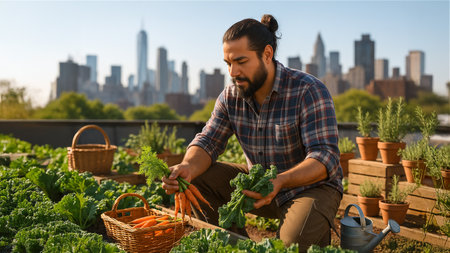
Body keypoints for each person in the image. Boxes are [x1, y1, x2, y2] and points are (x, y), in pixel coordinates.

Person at [162, 14, 343, 251]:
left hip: (310, 188)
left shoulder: (308, 90)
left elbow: (324, 157)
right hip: (259, 188)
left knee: (288, 245)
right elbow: (208, 141)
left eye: (241, 61)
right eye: (228, 63)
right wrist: (187, 166)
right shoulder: (230, 97)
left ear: (267, 55)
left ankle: (309, 231)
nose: (233, 72)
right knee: (196, 177)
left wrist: (281, 180)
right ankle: (237, 246)